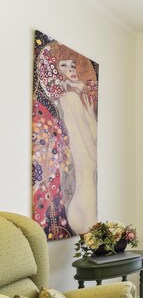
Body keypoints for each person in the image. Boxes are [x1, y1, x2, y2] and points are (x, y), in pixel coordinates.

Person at [37, 42, 98, 235]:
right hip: (85, 197)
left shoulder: (74, 100)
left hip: (82, 196)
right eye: (64, 65)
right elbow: (94, 154)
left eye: (72, 66)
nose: (70, 70)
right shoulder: (70, 99)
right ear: (55, 70)